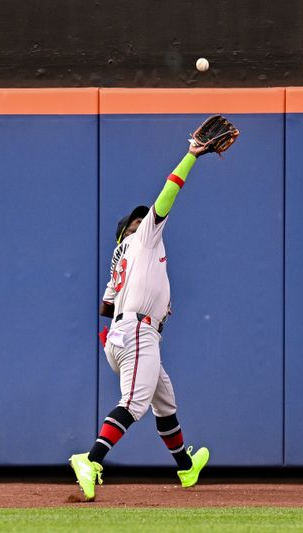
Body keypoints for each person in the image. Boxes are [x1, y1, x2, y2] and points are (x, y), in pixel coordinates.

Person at [69, 138, 211, 501]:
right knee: (135, 404)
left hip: (123, 332)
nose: (142, 221)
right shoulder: (143, 238)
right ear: (127, 232)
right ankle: (91, 459)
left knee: (165, 402)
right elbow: (168, 194)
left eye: (140, 220)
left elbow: (106, 305)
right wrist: (191, 156)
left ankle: (185, 467)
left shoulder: (121, 257)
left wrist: (157, 302)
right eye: (135, 222)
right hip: (136, 332)